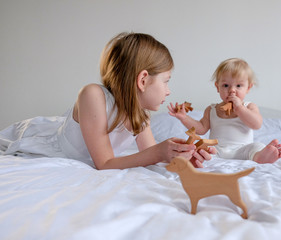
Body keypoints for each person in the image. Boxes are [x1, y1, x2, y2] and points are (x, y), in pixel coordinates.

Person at [0, 32, 215, 169]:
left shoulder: (141, 116)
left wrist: (185, 158)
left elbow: (150, 156)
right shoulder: (92, 95)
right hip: (47, 137)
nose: (168, 91)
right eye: (166, 81)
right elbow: (104, 163)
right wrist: (160, 152)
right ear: (143, 80)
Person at [168, 58, 281, 164]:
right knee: (202, 147)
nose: (232, 90)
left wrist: (240, 108)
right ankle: (198, 158)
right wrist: (184, 117)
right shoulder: (211, 109)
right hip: (217, 150)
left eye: (238, 85)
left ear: (248, 88)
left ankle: (260, 157)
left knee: (257, 146)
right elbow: (201, 129)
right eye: (226, 85)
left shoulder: (249, 107)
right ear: (217, 87)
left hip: (243, 150)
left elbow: (256, 124)